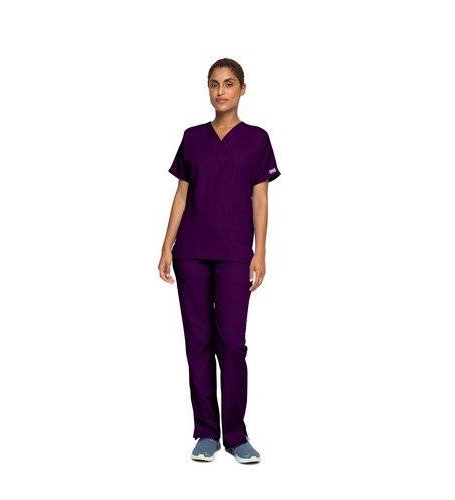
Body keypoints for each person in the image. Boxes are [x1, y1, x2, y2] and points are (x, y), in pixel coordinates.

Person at [158, 58, 281, 464]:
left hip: (234, 255)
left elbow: (260, 198)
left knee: (231, 344)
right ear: (208, 90)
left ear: (242, 89)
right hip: (191, 253)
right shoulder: (193, 138)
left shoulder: (257, 140)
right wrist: (166, 246)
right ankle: (207, 432)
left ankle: (237, 435)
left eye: (229, 83)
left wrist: (260, 251)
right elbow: (181, 194)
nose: (221, 91)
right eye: (214, 84)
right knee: (198, 343)